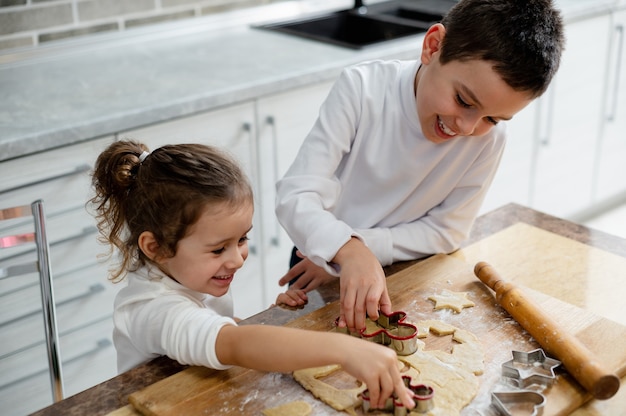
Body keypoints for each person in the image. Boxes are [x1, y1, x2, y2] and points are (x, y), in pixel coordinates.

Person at [274, 0, 565, 330]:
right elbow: (296, 194)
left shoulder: (489, 141)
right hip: (318, 257)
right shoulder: (361, 90)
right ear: (433, 47)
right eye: (464, 101)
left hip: (399, 267)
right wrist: (340, 251)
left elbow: (447, 232)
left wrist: (359, 248)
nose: (468, 128)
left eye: (493, 118)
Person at [89, 140, 416, 410]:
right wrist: (345, 351)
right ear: (155, 247)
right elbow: (228, 344)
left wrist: (268, 324)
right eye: (218, 249)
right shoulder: (150, 308)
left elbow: (216, 331)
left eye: (242, 239)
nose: (237, 259)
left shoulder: (190, 275)